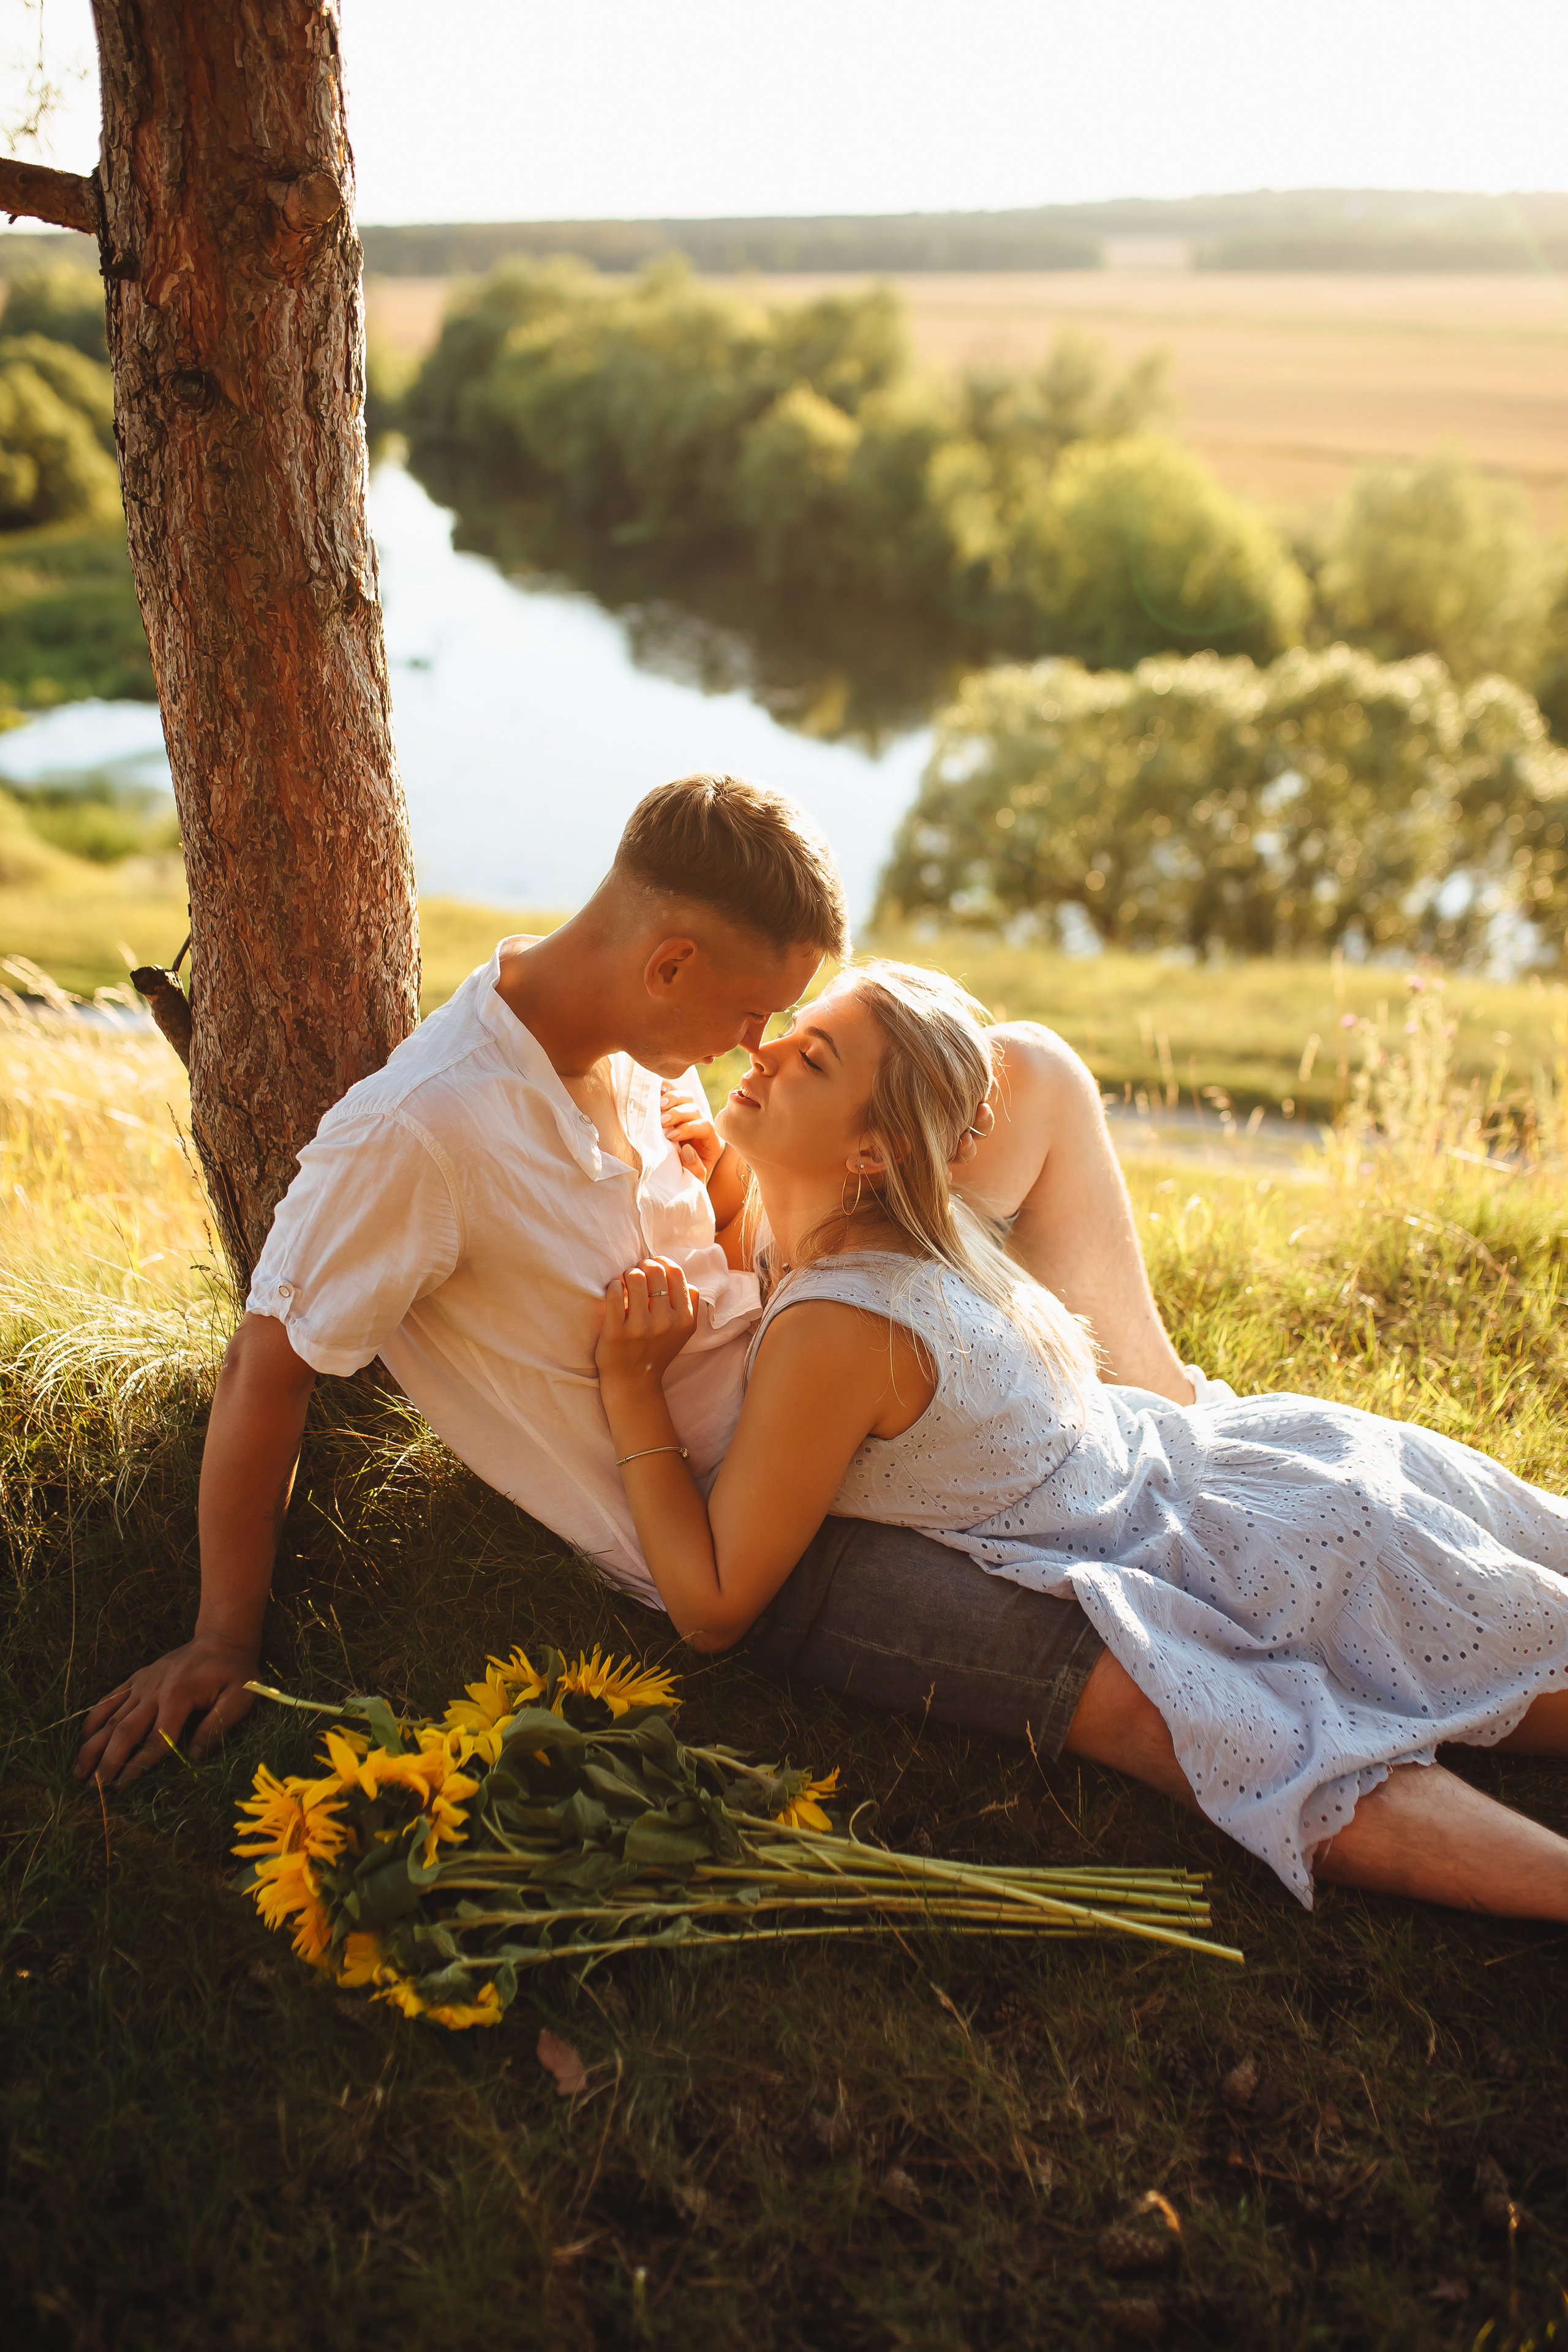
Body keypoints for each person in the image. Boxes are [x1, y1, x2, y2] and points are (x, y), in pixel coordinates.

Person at [75, 774, 1193, 1788]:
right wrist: (225, 1635)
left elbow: (727, 1265)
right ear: (669, 965)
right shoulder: (422, 1134)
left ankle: (1167, 1413)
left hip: (827, 1380)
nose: (755, 1046)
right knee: (1152, 1677)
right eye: (754, 1013)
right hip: (737, 1526)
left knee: (1032, 1069)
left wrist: (726, 1194)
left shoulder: (634, 1046)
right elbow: (263, 1364)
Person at [594, 959, 1568, 1919]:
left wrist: (633, 1386)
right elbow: (786, 1276)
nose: (760, 1051)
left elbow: (716, 1608)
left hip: (1261, 1561)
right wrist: (731, 1183)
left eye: (811, 1059)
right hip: (1259, 1478)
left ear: (873, 1153)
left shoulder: (837, 1328)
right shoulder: (894, 1231)